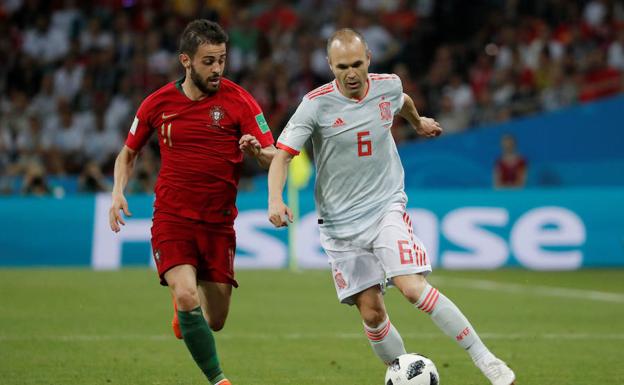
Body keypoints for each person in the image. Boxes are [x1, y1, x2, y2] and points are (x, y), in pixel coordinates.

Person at [268, 29, 516, 385]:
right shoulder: (315, 104)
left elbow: (403, 102)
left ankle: (486, 360)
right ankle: (405, 374)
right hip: (338, 224)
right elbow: (282, 157)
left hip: (385, 205)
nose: (351, 74)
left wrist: (419, 123)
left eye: (357, 64)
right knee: (371, 312)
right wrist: (275, 199)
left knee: (411, 286)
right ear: (329, 65)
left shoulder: (388, 85)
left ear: (368, 57)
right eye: (341, 67)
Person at [109, 20, 276, 385]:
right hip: (172, 217)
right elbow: (127, 153)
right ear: (186, 61)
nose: (217, 69)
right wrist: (118, 191)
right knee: (186, 295)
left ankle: (185, 310)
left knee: (214, 321)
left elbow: (272, 155)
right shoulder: (157, 103)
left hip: (218, 224)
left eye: (222, 60)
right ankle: (219, 379)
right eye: (208, 61)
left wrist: (256, 153)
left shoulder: (240, 100)